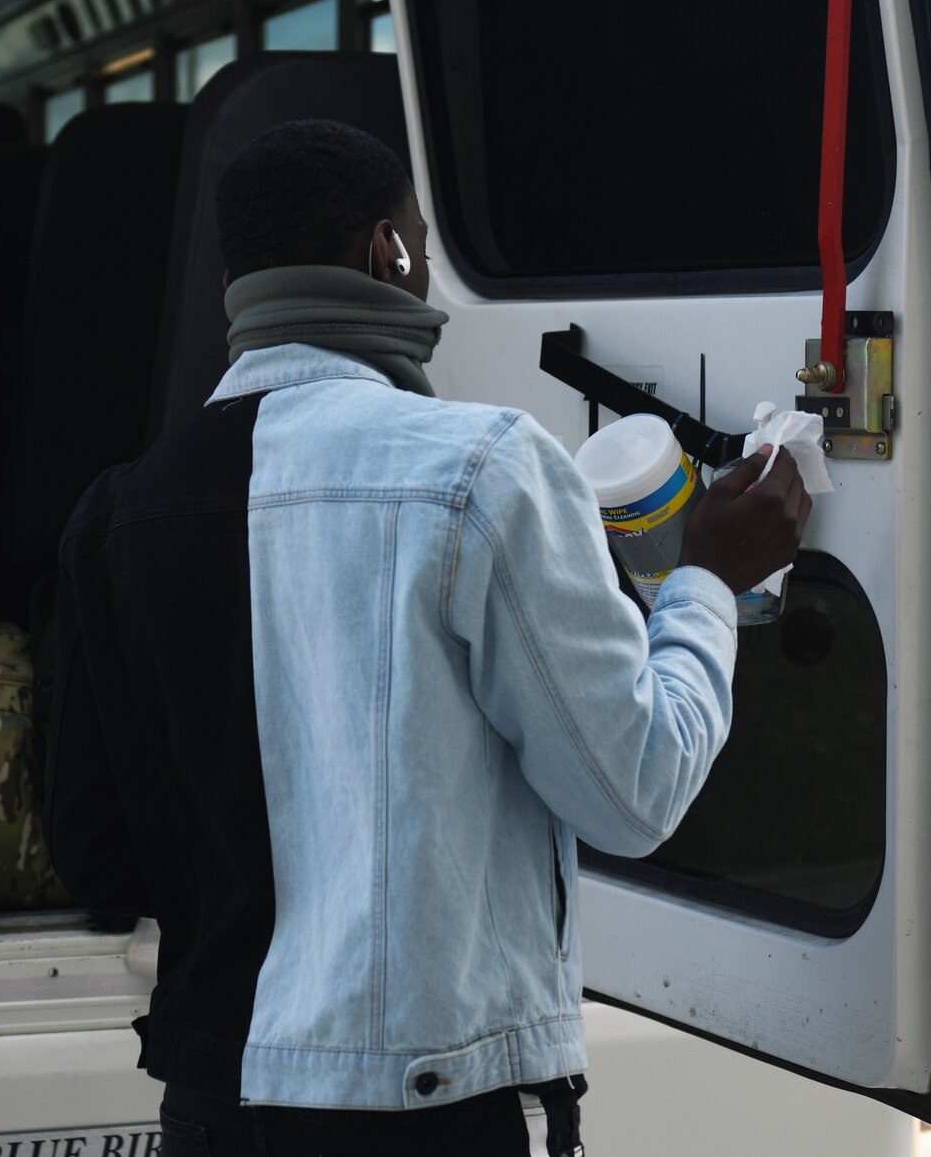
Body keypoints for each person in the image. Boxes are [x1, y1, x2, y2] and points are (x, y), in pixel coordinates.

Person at [41, 119, 811, 1155]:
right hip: (428, 1113)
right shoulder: (479, 469)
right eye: (416, 243)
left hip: (213, 1102)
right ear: (382, 252)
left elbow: (95, 857)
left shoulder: (118, 510)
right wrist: (708, 581)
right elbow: (632, 793)